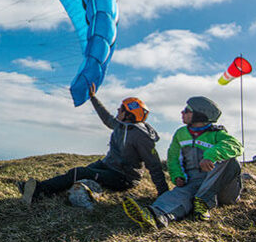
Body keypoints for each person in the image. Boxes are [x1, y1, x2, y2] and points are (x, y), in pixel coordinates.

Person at [19, 84, 168, 204]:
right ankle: (42, 190)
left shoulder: (140, 136)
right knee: (77, 173)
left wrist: (163, 194)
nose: (117, 110)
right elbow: (106, 117)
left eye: (121, 108)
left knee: (79, 172)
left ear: (129, 114)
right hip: (107, 166)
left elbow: (154, 165)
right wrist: (93, 98)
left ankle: (38, 192)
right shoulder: (121, 125)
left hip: (123, 177)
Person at [122, 96, 243, 229]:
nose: (182, 113)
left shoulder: (217, 134)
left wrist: (210, 156)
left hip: (223, 191)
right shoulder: (180, 133)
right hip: (194, 184)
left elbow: (236, 146)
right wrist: (177, 175)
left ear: (199, 114)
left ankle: (203, 200)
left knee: (231, 160)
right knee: (177, 195)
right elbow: (173, 157)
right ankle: (156, 215)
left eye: (187, 110)